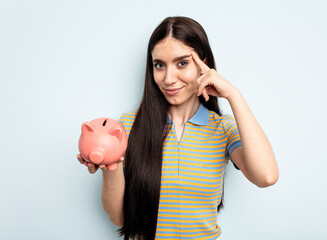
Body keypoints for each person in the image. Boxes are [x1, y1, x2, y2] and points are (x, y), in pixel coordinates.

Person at [77, 16, 279, 240]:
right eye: (159, 65)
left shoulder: (223, 129)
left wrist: (234, 96)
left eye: (182, 63)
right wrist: (110, 166)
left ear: (203, 64)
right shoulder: (127, 126)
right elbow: (119, 218)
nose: (169, 78)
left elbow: (266, 177)